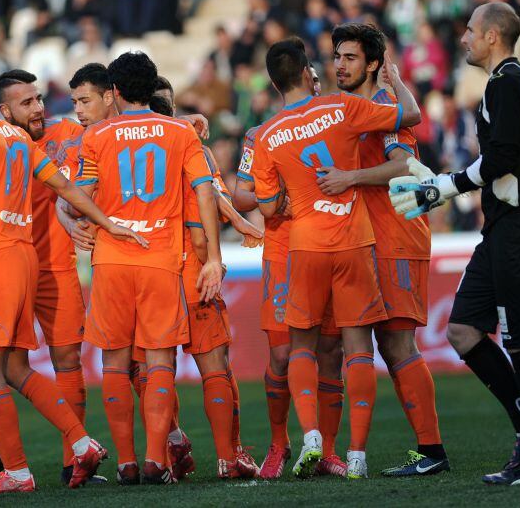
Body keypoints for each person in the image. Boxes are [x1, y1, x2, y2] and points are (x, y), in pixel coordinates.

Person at [0, 60, 146, 493]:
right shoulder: (15, 137)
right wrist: (107, 223)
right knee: (12, 367)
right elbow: (66, 187)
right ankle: (81, 441)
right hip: (25, 255)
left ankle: (16, 471)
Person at [389, 2, 520, 485]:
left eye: (469, 30)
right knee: (463, 328)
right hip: (506, 224)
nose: (462, 38)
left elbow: (501, 158)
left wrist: (444, 186)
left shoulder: (505, 81)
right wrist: (446, 182)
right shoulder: (509, 80)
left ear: (491, 37)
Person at [250, 36, 421, 479]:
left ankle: (308, 440)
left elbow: (266, 207)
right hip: (353, 240)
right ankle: (357, 456)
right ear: (309, 72)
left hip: (304, 246)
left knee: (301, 345)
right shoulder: (340, 107)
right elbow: (411, 116)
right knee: (356, 346)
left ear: (273, 82)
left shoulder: (267, 134)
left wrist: (293, 199)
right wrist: (396, 81)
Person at [74, 52, 223, 484]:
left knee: (116, 365)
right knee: (159, 362)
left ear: (115, 91)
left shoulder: (97, 136)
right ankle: (157, 458)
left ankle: (126, 462)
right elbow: (205, 190)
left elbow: (77, 195)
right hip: (161, 259)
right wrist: (213, 256)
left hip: (112, 260)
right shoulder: (179, 131)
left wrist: (101, 224)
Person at [313, 22, 449, 477]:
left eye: (350, 58)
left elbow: (401, 165)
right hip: (363, 240)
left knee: (396, 342)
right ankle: (340, 452)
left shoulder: (385, 104)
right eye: (337, 56)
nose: (340, 65)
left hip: (396, 236)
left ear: (374, 64)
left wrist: (349, 178)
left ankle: (431, 451)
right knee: (354, 346)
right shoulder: (352, 107)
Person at [149, 81, 263, 480]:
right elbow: (207, 201)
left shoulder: (122, 148)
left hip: (148, 272)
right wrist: (222, 243)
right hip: (191, 269)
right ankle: (227, 457)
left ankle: (160, 454)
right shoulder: (192, 146)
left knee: (149, 368)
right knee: (215, 367)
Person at [233, 102, 349, 482]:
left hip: (331, 245)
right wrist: (273, 200)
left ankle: (328, 451)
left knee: (331, 350)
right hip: (284, 252)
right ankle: (278, 443)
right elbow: (241, 196)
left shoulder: (333, 120)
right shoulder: (261, 134)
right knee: (282, 354)